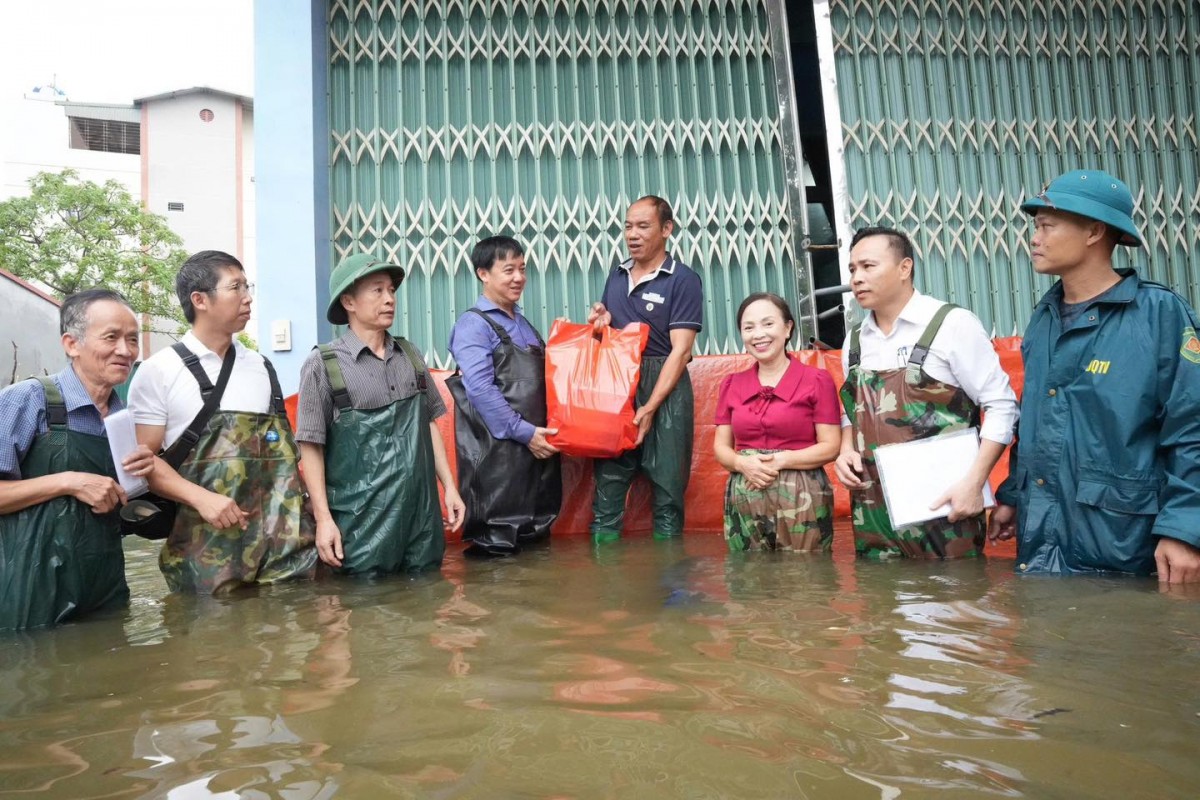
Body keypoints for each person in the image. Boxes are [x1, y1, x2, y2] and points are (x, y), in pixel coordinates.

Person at [989, 169, 1200, 583]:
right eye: (1035, 227)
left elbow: (1191, 428)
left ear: (1093, 232)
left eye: (1047, 226)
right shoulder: (1044, 319)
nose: (1034, 238)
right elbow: (1035, 420)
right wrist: (1014, 495)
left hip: (1125, 547)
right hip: (1042, 542)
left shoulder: (1159, 315)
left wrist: (1185, 529)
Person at [129, 250, 317, 593]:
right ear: (200, 299)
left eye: (248, 287)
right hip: (207, 556)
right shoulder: (159, 371)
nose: (248, 298)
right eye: (236, 288)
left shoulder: (260, 367)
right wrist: (202, 498)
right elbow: (143, 464)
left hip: (283, 552)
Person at [834, 227, 1018, 559]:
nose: (856, 278)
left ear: (904, 268)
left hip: (945, 511)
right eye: (852, 269)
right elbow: (851, 409)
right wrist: (845, 449)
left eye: (867, 266)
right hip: (873, 519)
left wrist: (974, 483)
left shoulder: (952, 324)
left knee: (957, 603)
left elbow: (1002, 406)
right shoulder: (856, 339)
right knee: (878, 603)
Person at [296, 253, 464, 573]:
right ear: (349, 301)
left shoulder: (410, 355)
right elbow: (310, 447)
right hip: (361, 529)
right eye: (377, 290)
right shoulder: (323, 365)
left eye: (391, 290)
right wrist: (324, 520)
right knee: (366, 611)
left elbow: (427, 425)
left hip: (421, 524)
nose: (389, 299)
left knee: (427, 602)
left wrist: (450, 488)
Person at [0, 289, 156, 629]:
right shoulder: (27, 400)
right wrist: (69, 481)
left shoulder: (121, 419)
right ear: (72, 344)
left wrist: (140, 479)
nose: (126, 351)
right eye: (111, 337)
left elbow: (119, 507)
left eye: (132, 340)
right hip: (30, 589)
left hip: (104, 588)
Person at [586, 195, 703, 541]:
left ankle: (668, 583)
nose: (632, 234)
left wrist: (650, 406)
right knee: (607, 490)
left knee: (668, 491)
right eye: (627, 226)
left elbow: (681, 352)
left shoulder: (682, 279)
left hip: (664, 387)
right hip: (619, 386)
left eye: (643, 226)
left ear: (667, 229)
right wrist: (600, 321)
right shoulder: (617, 275)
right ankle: (605, 586)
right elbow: (608, 334)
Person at [447, 236, 561, 556]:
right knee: (496, 555)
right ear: (483, 274)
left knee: (536, 547)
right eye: (508, 269)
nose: (519, 277)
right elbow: (481, 390)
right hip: (498, 463)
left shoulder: (523, 324)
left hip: (537, 460)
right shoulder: (473, 325)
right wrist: (525, 434)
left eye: (522, 269)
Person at [714, 293, 841, 551]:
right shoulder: (731, 384)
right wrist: (741, 463)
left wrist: (779, 461)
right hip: (745, 494)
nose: (758, 334)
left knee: (807, 578)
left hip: (802, 492)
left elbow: (831, 446)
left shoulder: (817, 380)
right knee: (748, 578)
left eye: (768, 324)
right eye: (748, 327)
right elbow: (720, 448)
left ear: (788, 327)